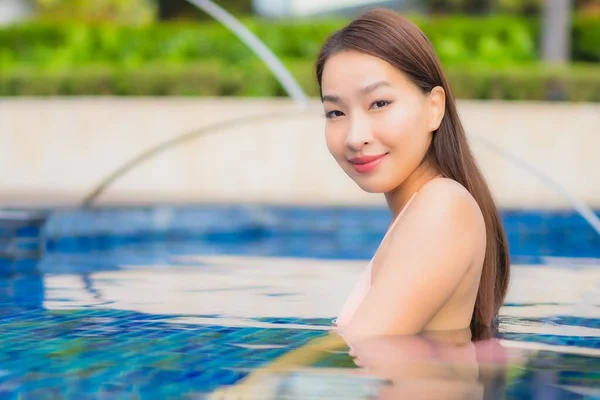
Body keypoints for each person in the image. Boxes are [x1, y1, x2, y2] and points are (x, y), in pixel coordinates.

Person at [315, 8, 510, 342]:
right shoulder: (426, 210)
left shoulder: (443, 207)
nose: (354, 136)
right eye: (336, 112)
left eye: (379, 103)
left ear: (434, 107)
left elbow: (362, 346)